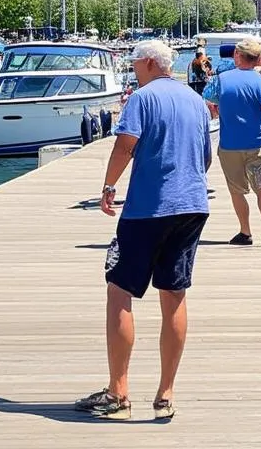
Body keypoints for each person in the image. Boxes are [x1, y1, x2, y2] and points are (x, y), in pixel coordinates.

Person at [75, 40, 211, 421]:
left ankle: (118, 391)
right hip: (192, 206)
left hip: (147, 208)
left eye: (136, 63)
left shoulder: (142, 98)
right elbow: (205, 158)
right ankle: (166, 393)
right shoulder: (195, 101)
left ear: (151, 63)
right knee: (174, 294)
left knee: (120, 291)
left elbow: (124, 146)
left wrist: (108, 186)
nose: (134, 69)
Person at [213, 37, 261, 248]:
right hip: (257, 142)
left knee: (237, 190)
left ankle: (245, 231)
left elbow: (210, 104)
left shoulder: (221, 79)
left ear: (236, 55)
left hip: (229, 144)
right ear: (259, 59)